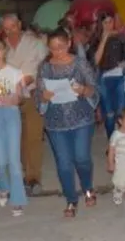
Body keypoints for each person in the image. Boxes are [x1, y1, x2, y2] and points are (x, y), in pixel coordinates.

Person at [35, 28, 99, 218]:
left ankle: (88, 188)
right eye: (53, 48)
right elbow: (39, 95)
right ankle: (71, 200)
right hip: (55, 122)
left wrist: (83, 90)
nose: (57, 52)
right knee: (63, 164)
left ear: (69, 43)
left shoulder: (80, 63)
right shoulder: (44, 67)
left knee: (82, 158)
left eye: (61, 47)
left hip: (81, 118)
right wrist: (44, 98)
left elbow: (94, 88)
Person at [2, 13, 48, 195]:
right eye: (6, 29)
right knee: (18, 138)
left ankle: (33, 177)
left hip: (32, 94)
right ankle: (23, 174)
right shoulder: (2, 48)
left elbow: (42, 68)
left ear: (19, 25)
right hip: (10, 98)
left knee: (34, 137)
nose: (10, 32)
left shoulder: (35, 43)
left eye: (12, 27)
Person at [0, 36, 28, 217]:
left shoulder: (15, 72)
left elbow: (20, 97)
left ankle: (18, 199)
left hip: (11, 114)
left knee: (13, 159)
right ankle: (3, 187)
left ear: (5, 51)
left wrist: (14, 98)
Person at [89, 11, 125, 139]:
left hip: (119, 77)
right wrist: (105, 38)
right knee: (109, 114)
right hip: (103, 78)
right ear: (101, 24)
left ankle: (121, 141)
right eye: (105, 22)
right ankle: (112, 141)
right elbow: (95, 61)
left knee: (121, 111)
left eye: (110, 21)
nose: (108, 25)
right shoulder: (95, 40)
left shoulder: (121, 38)